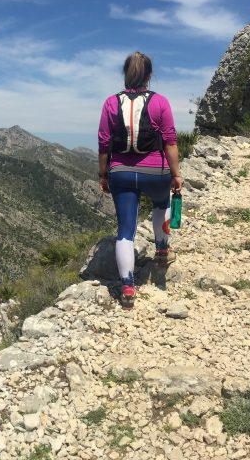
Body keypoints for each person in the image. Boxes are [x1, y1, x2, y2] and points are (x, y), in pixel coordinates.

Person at [97, 51, 183, 309]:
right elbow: (170, 141)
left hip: (120, 172)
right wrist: (176, 174)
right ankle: (162, 250)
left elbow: (103, 142)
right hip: (155, 173)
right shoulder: (160, 103)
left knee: (125, 229)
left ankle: (127, 287)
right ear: (149, 75)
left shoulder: (111, 103)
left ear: (125, 74)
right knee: (160, 206)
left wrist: (103, 174)